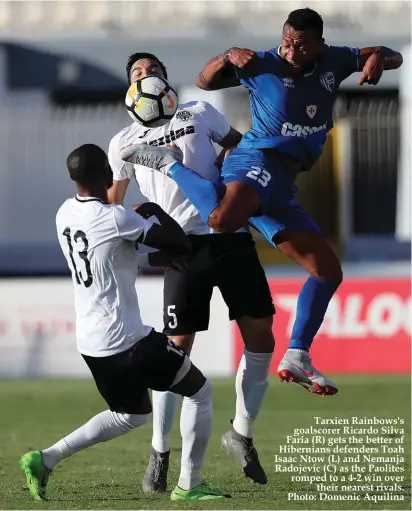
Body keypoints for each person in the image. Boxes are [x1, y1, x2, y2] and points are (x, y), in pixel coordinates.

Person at [120, 10, 403, 398]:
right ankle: (170, 165)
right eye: (285, 40)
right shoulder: (263, 62)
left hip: (282, 183)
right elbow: (204, 81)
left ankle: (298, 354)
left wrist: (375, 59)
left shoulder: (335, 60)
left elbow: (392, 55)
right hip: (255, 160)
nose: (288, 49)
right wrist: (225, 56)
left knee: (326, 271)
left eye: (298, 44)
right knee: (221, 219)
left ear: (317, 43)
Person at [19, 144, 230, 502]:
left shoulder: (64, 213)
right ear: (105, 173)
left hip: (92, 344)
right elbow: (179, 244)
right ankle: (189, 486)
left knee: (130, 415)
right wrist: (154, 211)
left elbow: (120, 250)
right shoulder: (117, 218)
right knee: (200, 392)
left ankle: (46, 459)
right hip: (128, 340)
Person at [108, 52, 275, 490]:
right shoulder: (124, 141)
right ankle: (160, 454)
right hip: (183, 248)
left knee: (261, 336)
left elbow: (239, 146)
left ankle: (242, 432)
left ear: (165, 78)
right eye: (137, 74)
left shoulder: (199, 111)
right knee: (175, 356)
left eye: (152, 70)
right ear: (131, 88)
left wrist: (227, 172)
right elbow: (113, 201)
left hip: (230, 236)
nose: (146, 76)